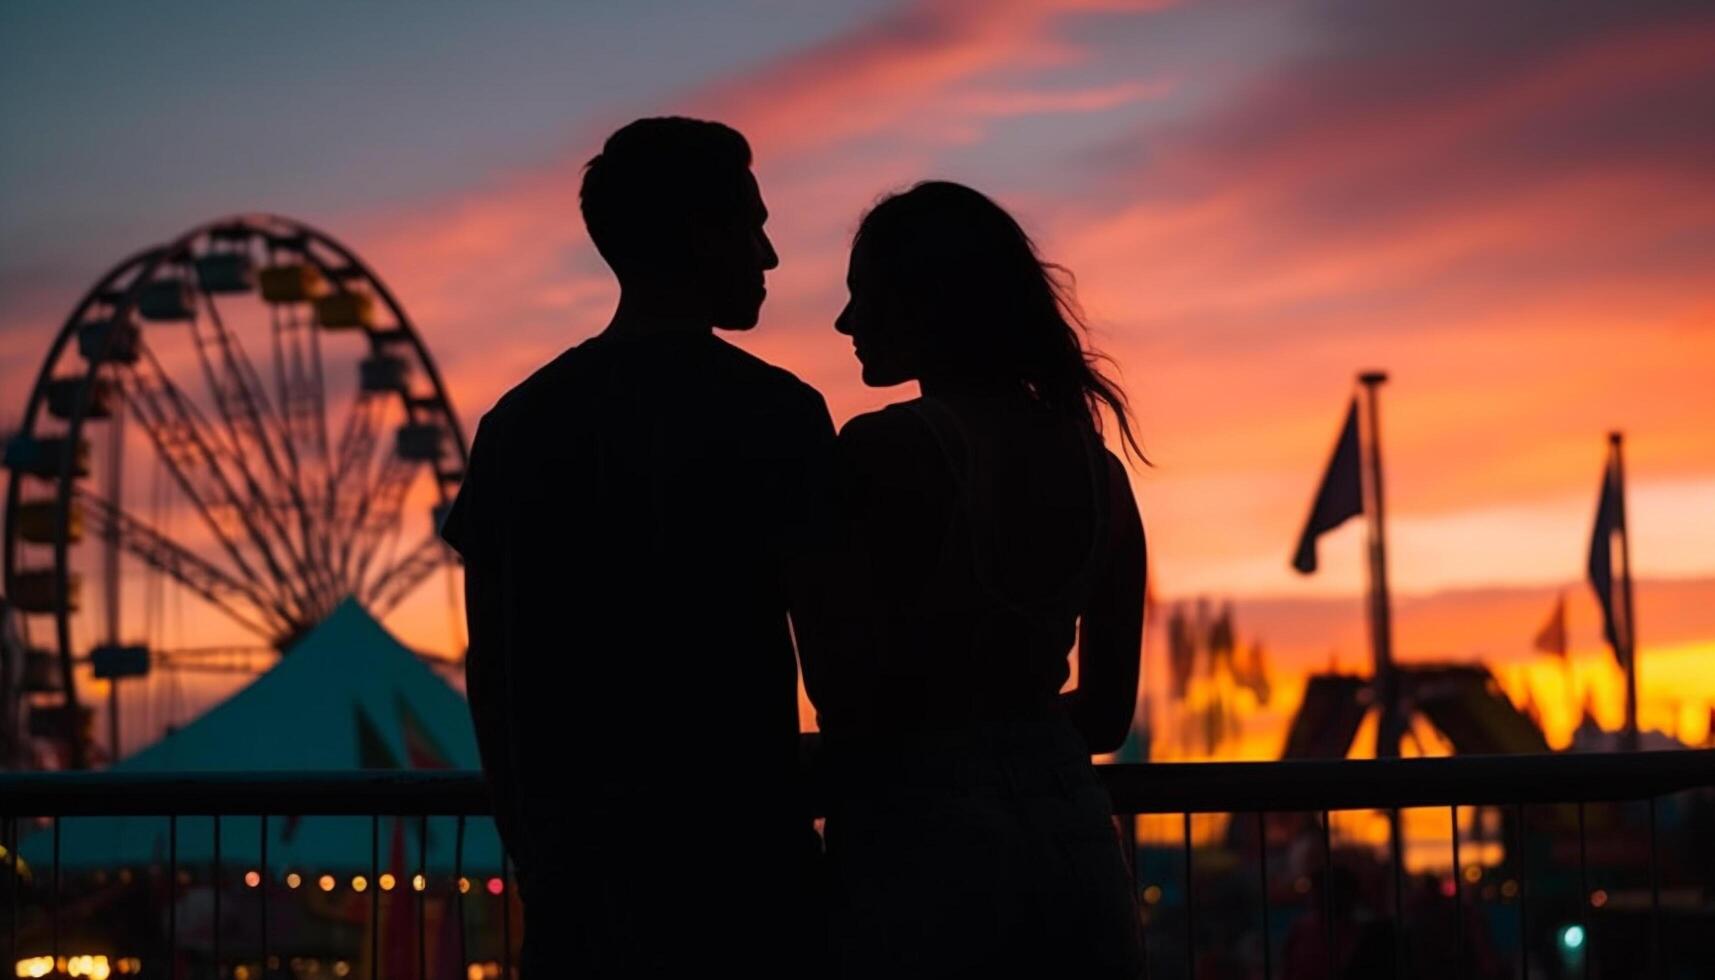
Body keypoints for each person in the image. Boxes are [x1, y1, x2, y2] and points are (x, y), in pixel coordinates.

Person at [441, 117, 834, 977]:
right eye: (753, 226)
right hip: (745, 868)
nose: (769, 257)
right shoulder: (779, 415)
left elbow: (494, 670)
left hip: (582, 883)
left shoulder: (519, 423)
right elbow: (835, 663)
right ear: (698, 235)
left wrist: (534, 849)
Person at [798, 181, 1148, 979]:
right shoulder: (1101, 475)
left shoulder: (881, 452)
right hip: (1075, 848)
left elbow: (846, 697)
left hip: (919, 854)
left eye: (863, 298)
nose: (845, 323)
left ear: (926, 304)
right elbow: (1103, 715)